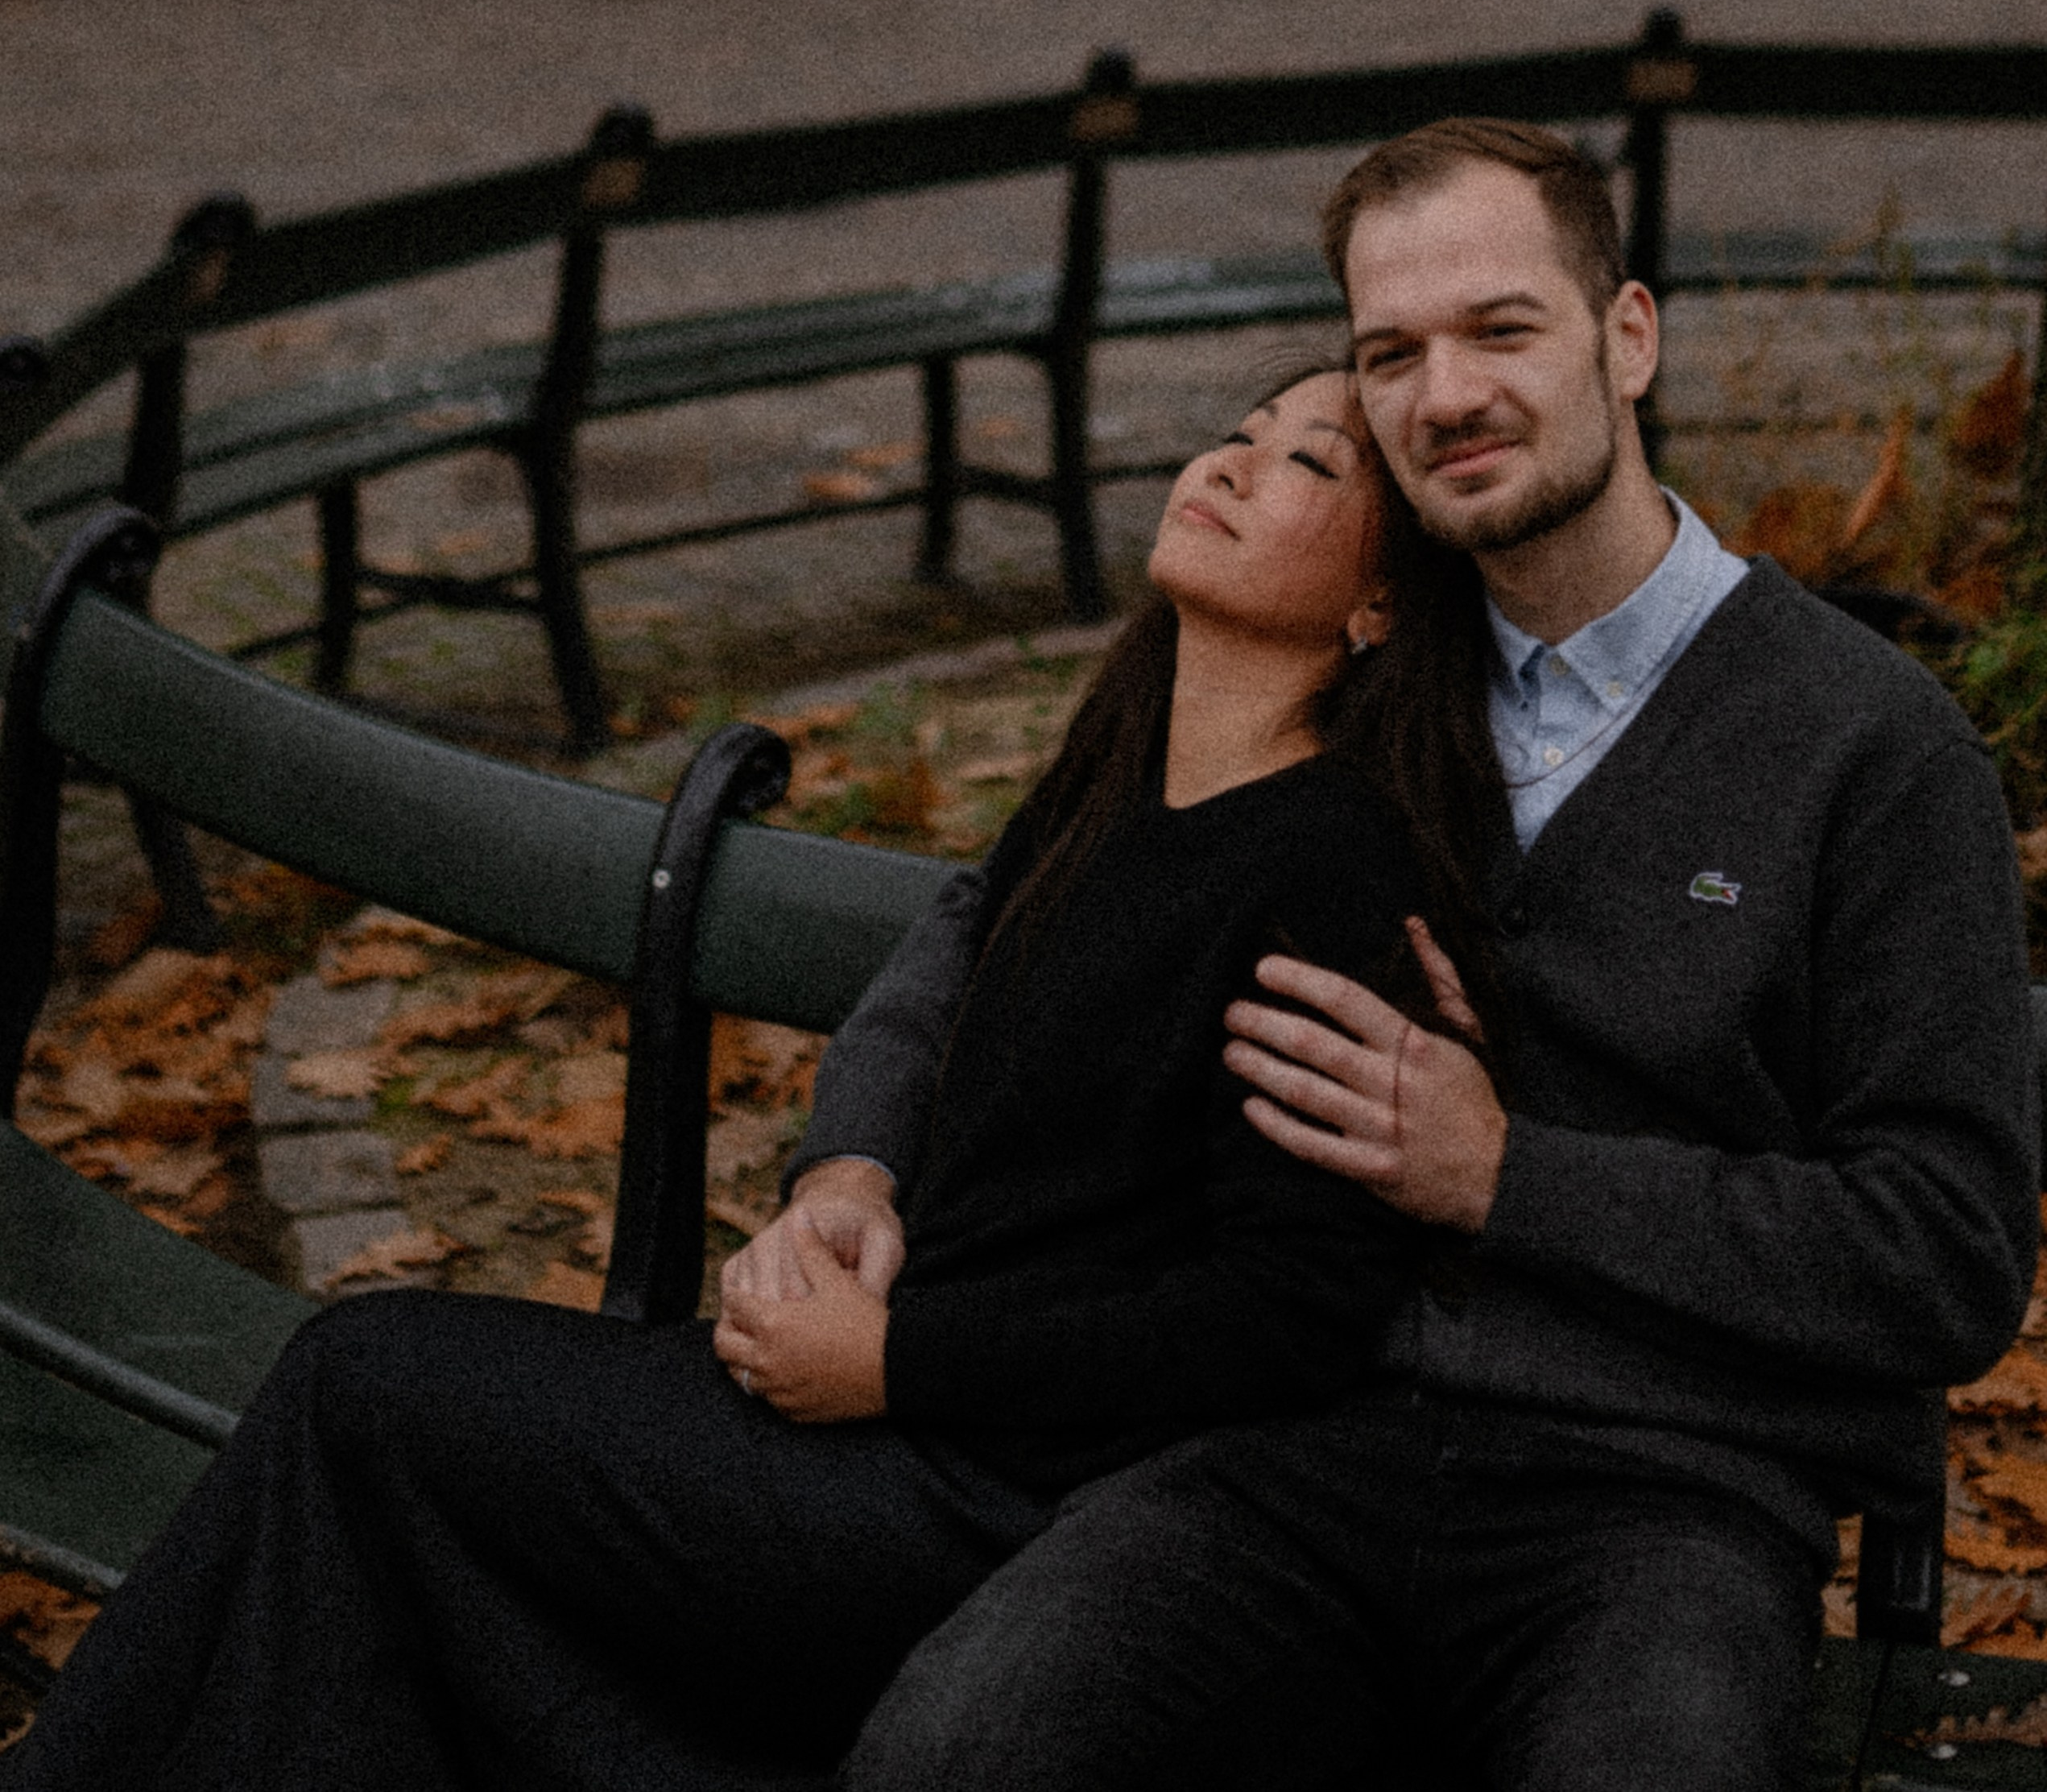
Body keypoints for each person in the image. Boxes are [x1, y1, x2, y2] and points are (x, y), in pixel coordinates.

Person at [751, 119, 2041, 1792]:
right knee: (960, 1754)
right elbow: (1000, 900)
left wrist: (1505, 1173)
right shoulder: (1346, 657)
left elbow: (1939, 1251)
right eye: (1388, 354)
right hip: (1281, 1445)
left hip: (1660, 1500)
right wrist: (851, 1156)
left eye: (1499, 329)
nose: (1443, 394)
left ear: (1626, 334)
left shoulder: (1864, 747)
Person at [10, 371, 1491, 1792]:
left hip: (989, 1505)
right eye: (1238, 430)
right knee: (375, 1467)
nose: (1229, 463)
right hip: (888, 1419)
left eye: (1306, 462)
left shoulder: (1326, 873)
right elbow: (973, 1041)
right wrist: (850, 1185)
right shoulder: (1124, 772)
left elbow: (1286, 1318)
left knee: (369, 1388)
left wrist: (900, 1365)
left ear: (1380, 607)